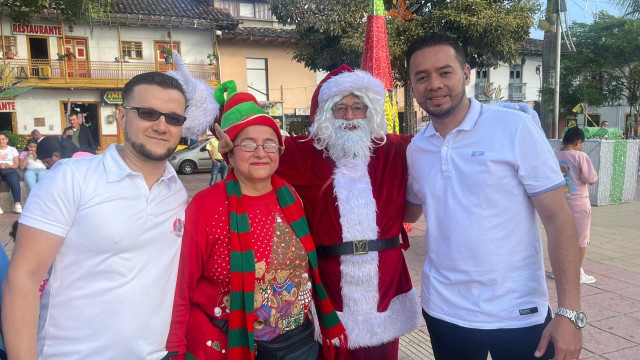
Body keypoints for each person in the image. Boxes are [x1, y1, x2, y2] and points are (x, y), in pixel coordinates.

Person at [216, 66, 421, 360]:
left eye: (358, 107)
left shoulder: (395, 150)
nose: (350, 116)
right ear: (325, 113)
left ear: (369, 111)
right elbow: (258, 154)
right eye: (340, 108)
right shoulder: (302, 153)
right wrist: (231, 146)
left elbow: (442, 143)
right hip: (329, 290)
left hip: (386, 289)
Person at [403, 32, 584, 360]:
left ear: (467, 73)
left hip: (518, 312)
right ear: (412, 86)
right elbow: (409, 212)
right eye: (422, 77)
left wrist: (570, 313)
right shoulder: (416, 148)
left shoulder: (514, 128)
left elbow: (559, 219)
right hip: (444, 311)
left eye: (445, 72)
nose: (434, 84)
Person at [2, 71, 195, 359]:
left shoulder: (176, 192)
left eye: (173, 118)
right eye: (147, 112)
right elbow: (23, 279)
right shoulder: (71, 178)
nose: (161, 125)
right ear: (121, 117)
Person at [166, 81, 346, 359]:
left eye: (269, 143)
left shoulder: (291, 197)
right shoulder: (206, 206)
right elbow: (182, 286)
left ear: (280, 150)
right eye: (248, 144)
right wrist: (176, 350)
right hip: (227, 346)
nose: (261, 152)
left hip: (295, 344)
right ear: (229, 153)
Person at [555, 127, 598, 284]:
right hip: (579, 203)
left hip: (560, 202)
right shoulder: (581, 156)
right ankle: (575, 273)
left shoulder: (554, 156)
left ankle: (559, 270)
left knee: (561, 237)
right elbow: (591, 178)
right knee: (581, 239)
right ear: (578, 142)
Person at [0, 132, 22, 214]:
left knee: (14, 181)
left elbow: (16, 165)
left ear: (7, 140)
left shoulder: (12, 149)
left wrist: (8, 165)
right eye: (0, 139)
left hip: (10, 170)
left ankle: (17, 204)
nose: (1, 141)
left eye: (3, 139)